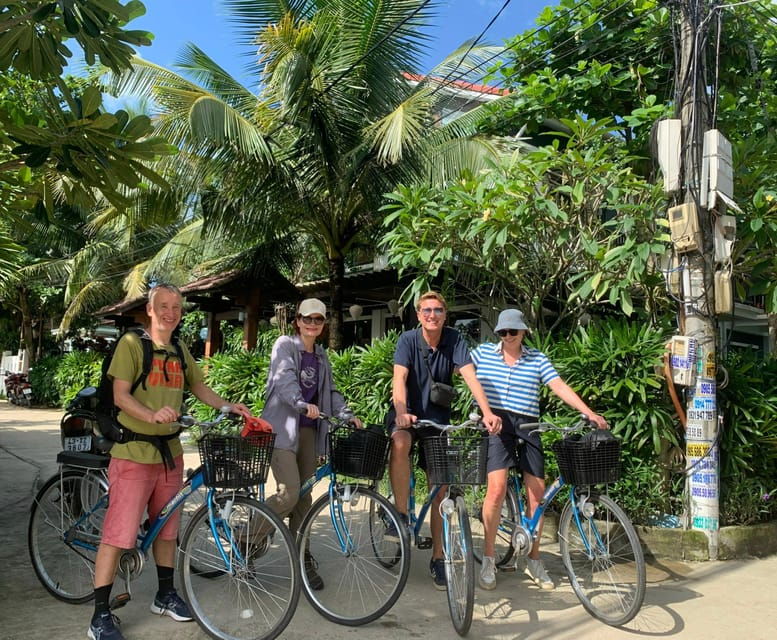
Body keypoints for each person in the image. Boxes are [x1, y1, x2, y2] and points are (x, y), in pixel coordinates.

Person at [88, 284, 251, 640]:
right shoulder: (133, 345)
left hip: (170, 454)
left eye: (176, 307)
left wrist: (226, 406)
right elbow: (120, 395)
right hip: (132, 451)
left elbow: (199, 387)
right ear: (150, 309)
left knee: (167, 529)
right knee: (118, 536)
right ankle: (100, 614)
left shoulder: (179, 348)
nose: (170, 312)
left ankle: (164, 594)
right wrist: (151, 413)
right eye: (163, 306)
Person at [471, 308, 608, 592]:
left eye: (513, 331)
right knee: (495, 490)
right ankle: (488, 557)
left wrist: (588, 411)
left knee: (538, 496)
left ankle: (534, 560)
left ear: (523, 332)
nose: (508, 336)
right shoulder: (483, 354)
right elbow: (459, 368)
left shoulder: (537, 358)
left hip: (529, 425)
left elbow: (557, 384)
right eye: (503, 332)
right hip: (496, 424)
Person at [387, 291, 501, 590]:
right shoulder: (408, 340)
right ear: (418, 314)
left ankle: (439, 557)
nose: (432, 315)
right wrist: (401, 412)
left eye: (438, 310)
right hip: (408, 415)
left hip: (437, 420)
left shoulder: (454, 340)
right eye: (427, 310)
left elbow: (470, 376)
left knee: (442, 492)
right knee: (400, 442)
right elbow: (399, 379)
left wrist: (487, 412)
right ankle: (400, 514)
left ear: (445, 315)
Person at [261, 298, 361, 591]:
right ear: (297, 320)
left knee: (304, 499)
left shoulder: (320, 356)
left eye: (318, 319)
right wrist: (301, 403)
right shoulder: (284, 345)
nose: (313, 324)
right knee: (289, 493)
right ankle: (247, 536)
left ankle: (301, 557)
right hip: (281, 428)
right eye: (308, 318)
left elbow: (329, 391)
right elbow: (284, 380)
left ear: (323, 324)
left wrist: (346, 414)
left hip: (308, 433)